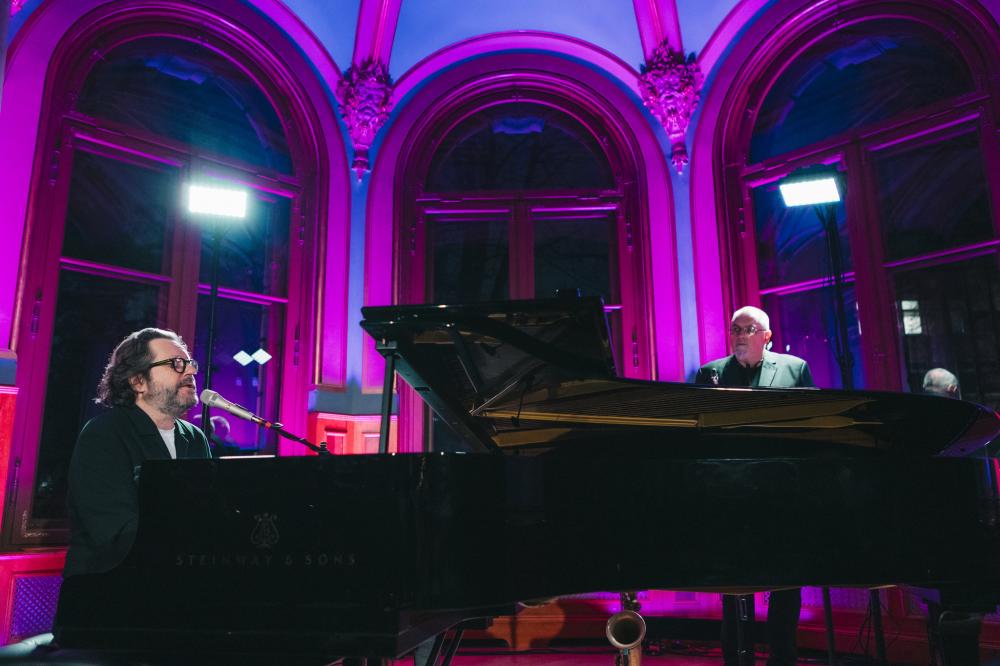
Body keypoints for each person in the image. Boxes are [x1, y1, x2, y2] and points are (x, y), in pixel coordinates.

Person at [695, 306, 814, 666]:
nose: (740, 336)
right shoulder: (711, 373)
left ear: (767, 336)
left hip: (782, 493)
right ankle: (735, 659)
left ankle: (783, 658)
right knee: (733, 588)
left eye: (749, 329)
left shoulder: (795, 368)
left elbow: (811, 427)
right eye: (735, 329)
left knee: (786, 585)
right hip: (731, 494)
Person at [62, 327, 211, 578]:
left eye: (190, 363)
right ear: (138, 382)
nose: (191, 371)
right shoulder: (105, 433)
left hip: (176, 582)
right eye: (176, 364)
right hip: (110, 588)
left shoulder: (195, 438)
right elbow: (114, 532)